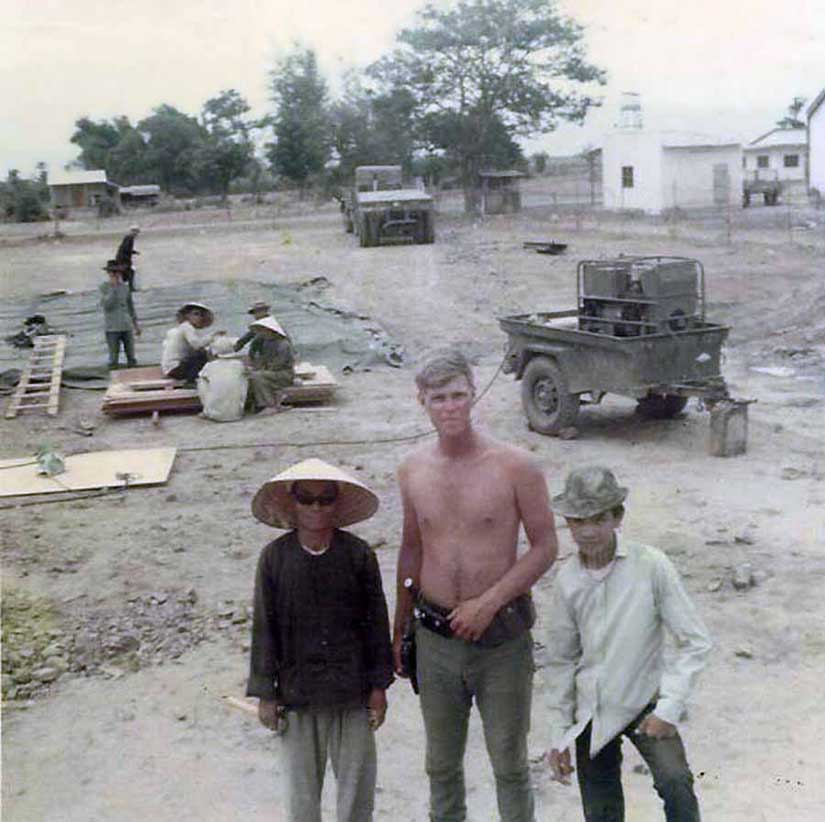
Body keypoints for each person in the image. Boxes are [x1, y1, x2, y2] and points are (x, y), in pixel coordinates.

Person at [393, 348, 558, 822]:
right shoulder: (412, 470)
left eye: (458, 395)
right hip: (436, 637)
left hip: (500, 640)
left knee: (508, 765)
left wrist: (489, 602)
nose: (450, 407)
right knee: (440, 766)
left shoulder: (516, 466)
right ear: (421, 401)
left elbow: (545, 546)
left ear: (474, 395)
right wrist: (399, 629)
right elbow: (411, 549)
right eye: (438, 397)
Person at [545, 465, 712, 822]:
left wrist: (668, 709)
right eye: (577, 521)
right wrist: (559, 734)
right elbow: (560, 659)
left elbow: (695, 641)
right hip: (592, 708)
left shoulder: (652, 566)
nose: (588, 531)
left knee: (676, 784)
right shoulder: (568, 581)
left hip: (644, 699)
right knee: (601, 808)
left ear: (617, 517)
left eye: (598, 518)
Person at [247, 457, 394, 822]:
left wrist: (379, 687)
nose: (315, 507)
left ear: (337, 504)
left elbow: (376, 624)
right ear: (291, 503)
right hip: (298, 694)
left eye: (325, 499)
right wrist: (267, 693)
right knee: (302, 799)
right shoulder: (274, 559)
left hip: (352, 692)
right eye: (306, 499)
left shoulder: (359, 555)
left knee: (357, 795)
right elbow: (265, 629)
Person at [244, 316, 296, 413]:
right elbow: (262, 359)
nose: (262, 333)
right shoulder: (267, 343)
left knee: (257, 376)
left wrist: (261, 370)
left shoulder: (283, 344)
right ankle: (262, 404)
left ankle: (269, 404)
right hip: (272, 371)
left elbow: (278, 364)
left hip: (284, 373)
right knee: (254, 375)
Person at [160, 302, 220, 382]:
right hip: (175, 368)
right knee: (202, 356)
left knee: (202, 353)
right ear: (187, 315)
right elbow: (196, 345)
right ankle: (191, 381)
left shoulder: (184, 328)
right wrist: (212, 337)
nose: (199, 317)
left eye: (201, 315)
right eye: (195, 314)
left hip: (171, 369)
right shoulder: (187, 327)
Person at [99, 259, 140, 369]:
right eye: (113, 272)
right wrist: (113, 289)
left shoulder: (125, 288)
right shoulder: (104, 287)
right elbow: (107, 305)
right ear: (109, 273)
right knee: (113, 356)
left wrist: (136, 325)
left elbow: (130, 307)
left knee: (131, 355)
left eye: (118, 272)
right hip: (112, 327)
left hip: (126, 326)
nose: (116, 275)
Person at [115, 224, 140, 291]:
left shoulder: (128, 237)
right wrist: (131, 253)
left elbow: (124, 248)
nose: (137, 234)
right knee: (129, 272)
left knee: (127, 272)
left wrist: (134, 252)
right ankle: (130, 288)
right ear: (133, 231)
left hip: (121, 257)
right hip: (123, 258)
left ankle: (128, 287)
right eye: (136, 232)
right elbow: (126, 249)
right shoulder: (130, 238)